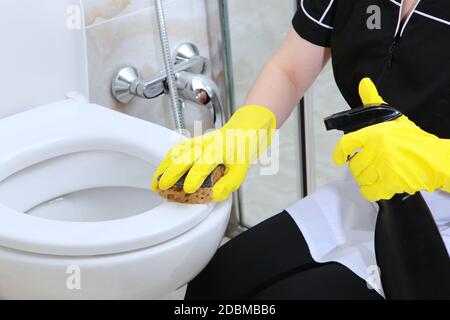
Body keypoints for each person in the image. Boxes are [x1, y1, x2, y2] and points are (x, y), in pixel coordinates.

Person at [152, 0, 450, 299]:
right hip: (371, 187)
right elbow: (290, 70)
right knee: (215, 280)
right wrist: (242, 133)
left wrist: (435, 160)